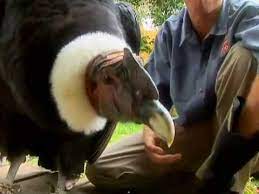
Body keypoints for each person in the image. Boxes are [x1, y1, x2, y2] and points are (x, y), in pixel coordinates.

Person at [86, 0, 259, 193]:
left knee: (246, 57)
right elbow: (153, 96)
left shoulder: (249, 13)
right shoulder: (171, 31)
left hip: (242, 136)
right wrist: (150, 127)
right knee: (100, 169)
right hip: (195, 133)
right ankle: (193, 183)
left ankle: (225, 185)